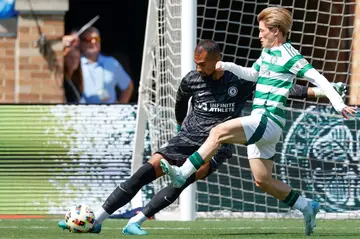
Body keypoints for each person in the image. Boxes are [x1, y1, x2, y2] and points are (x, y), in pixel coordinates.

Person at [57, 39, 346, 235]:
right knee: (146, 170)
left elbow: (285, 90)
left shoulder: (240, 80)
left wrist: (321, 92)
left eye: (204, 63)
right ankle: (97, 220)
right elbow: (180, 105)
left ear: (217, 61)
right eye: (196, 63)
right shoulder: (192, 79)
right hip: (187, 137)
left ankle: (137, 220)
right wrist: (182, 127)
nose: (199, 68)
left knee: (184, 178)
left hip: (216, 145)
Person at [160, 7, 357, 236]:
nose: (259, 35)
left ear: (276, 31)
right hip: (261, 122)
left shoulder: (289, 56)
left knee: (218, 132)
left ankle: (182, 173)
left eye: (263, 31)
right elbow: (253, 74)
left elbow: (318, 78)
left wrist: (338, 104)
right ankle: (306, 206)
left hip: (268, 119)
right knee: (262, 180)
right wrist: (228, 66)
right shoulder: (266, 53)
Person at [79, 27, 134, 103]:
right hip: (84, 112)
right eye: (88, 40)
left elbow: (128, 86)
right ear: (81, 43)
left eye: (97, 39)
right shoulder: (76, 63)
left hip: (109, 112)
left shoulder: (111, 62)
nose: (94, 42)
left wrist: (121, 106)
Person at [63, 32, 83, 103]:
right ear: (65, 59)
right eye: (71, 57)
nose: (74, 61)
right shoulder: (62, 79)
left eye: (76, 58)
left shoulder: (76, 82)